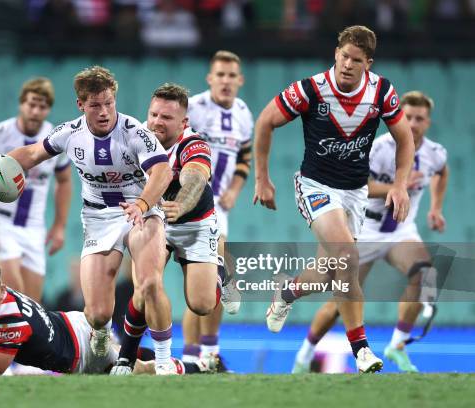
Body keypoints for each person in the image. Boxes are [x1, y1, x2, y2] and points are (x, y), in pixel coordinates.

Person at [0, 66, 176, 374]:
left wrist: (144, 202)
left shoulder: (135, 132)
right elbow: (30, 154)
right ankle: (100, 335)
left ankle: (164, 364)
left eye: (109, 102)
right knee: (96, 313)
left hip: (141, 211)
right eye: (96, 105)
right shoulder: (70, 133)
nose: (105, 111)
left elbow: (163, 171)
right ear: (81, 105)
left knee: (149, 282)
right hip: (98, 219)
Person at [253, 25, 415, 373]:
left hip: (354, 192)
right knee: (347, 256)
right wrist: (262, 178)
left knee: (331, 273)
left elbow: (405, 138)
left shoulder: (381, 92)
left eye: (356, 60)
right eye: (343, 56)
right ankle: (362, 350)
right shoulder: (310, 89)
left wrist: (400, 185)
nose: (347, 65)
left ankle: (287, 292)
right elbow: (266, 121)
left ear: (367, 64)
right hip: (315, 186)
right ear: (335, 54)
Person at [292, 91, 448, 373]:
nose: (412, 124)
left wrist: (435, 208)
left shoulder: (434, 152)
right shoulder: (381, 147)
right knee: (339, 300)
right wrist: (397, 187)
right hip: (366, 228)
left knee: (426, 274)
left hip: (400, 230)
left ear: (428, 122)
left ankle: (397, 345)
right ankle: (304, 355)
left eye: (419, 119)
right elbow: (359, 184)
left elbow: (442, 171)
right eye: (408, 117)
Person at [0, 260, 215, 376]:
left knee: (139, 371)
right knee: (133, 360)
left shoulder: (9, 322)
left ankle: (197, 365)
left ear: (2, 289)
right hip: (72, 323)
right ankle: (144, 299)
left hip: (82, 355)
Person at [110, 83, 222, 374]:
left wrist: (182, 204)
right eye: (154, 115)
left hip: (195, 223)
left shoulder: (193, 144)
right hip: (155, 220)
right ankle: (127, 356)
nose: (158, 122)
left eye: (167, 117)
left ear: (183, 122)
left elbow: (195, 178)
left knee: (201, 305)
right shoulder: (136, 139)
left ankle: (220, 273)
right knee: (145, 285)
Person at [0, 77, 72, 303]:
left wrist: (59, 226)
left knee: (31, 304)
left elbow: (64, 181)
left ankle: (9, 337)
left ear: (48, 109)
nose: (35, 111)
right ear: (21, 104)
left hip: (34, 227)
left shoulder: (55, 139)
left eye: (42, 106)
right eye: (31, 104)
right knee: (12, 295)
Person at [180, 50, 252, 368]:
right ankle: (204, 352)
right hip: (190, 203)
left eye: (231, 75)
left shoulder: (243, 114)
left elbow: (245, 158)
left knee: (205, 286)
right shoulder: (193, 109)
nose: (225, 80)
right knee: (219, 268)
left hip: (220, 205)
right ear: (210, 79)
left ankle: (197, 355)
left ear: (240, 80)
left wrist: (235, 190)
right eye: (219, 74)